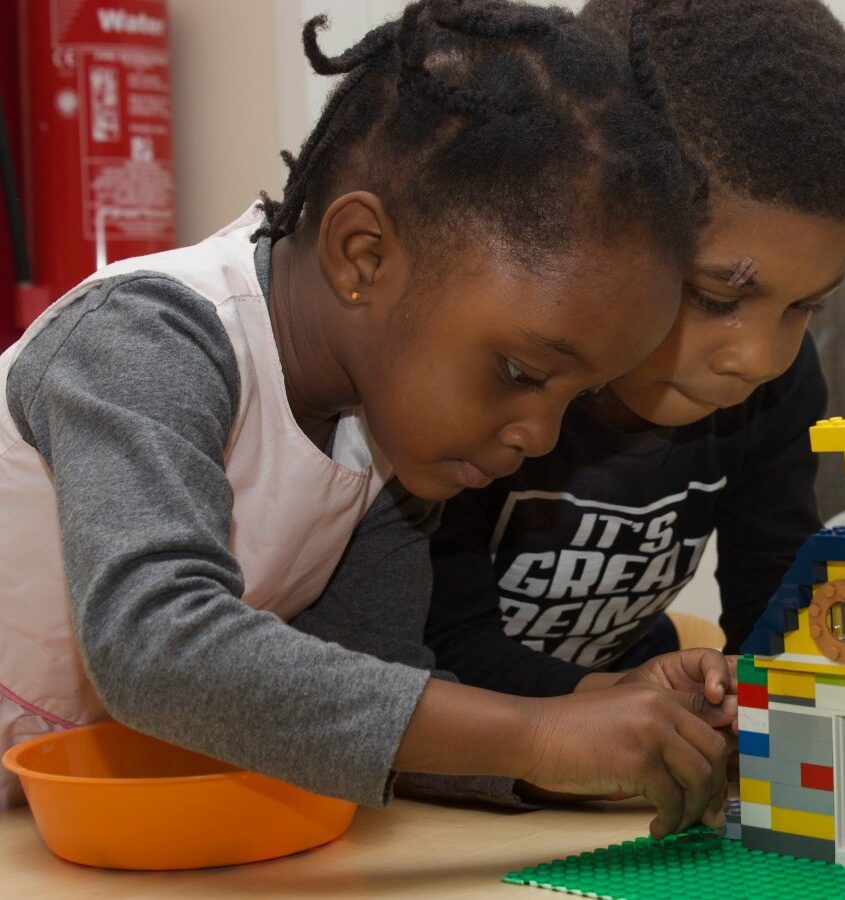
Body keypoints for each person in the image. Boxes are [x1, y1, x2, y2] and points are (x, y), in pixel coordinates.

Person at [0, 0, 734, 837]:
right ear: (364, 256)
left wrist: (599, 730)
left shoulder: (383, 449)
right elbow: (157, 643)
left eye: (573, 397)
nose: (540, 435)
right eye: (521, 372)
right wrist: (535, 734)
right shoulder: (147, 339)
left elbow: (367, 708)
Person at [411, 0, 845, 717]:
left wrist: (750, 701)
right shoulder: (492, 380)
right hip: (452, 741)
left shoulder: (778, 390)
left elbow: (771, 614)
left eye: (803, 306)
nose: (758, 357)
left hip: (629, 698)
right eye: (715, 297)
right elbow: (432, 647)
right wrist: (609, 711)